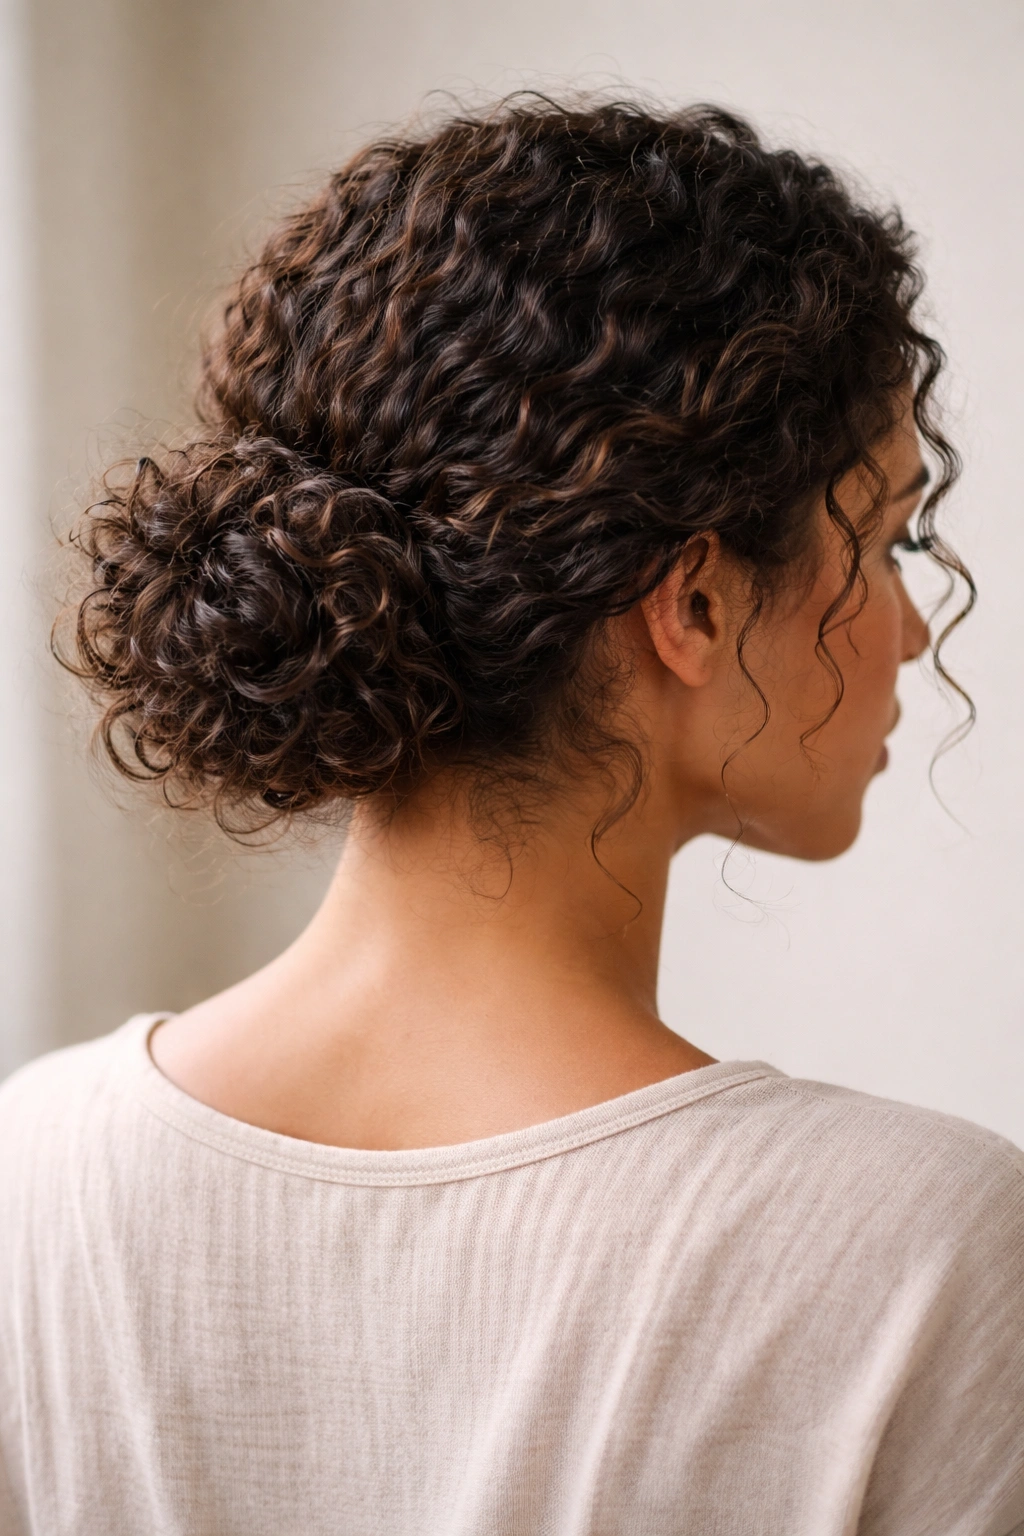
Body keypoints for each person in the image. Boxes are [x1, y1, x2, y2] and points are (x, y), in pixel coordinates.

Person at [0, 97, 1021, 1536]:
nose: (912, 631)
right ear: (699, 603)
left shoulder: (26, 1178)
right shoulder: (921, 1251)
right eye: (882, 537)